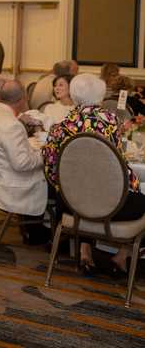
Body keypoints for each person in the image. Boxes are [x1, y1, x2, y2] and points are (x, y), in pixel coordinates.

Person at [42, 73, 143, 274]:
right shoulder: (111, 122)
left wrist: (66, 190)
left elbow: (50, 170)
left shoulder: (59, 127)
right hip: (109, 204)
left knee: (85, 185)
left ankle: (85, 251)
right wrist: (134, 186)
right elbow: (119, 168)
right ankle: (121, 256)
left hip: (72, 204)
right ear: (101, 97)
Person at [0, 80, 48, 243]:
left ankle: (34, 229)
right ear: (23, 99)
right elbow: (22, 164)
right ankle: (43, 233)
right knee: (59, 186)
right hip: (12, 182)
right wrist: (47, 153)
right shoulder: (11, 124)